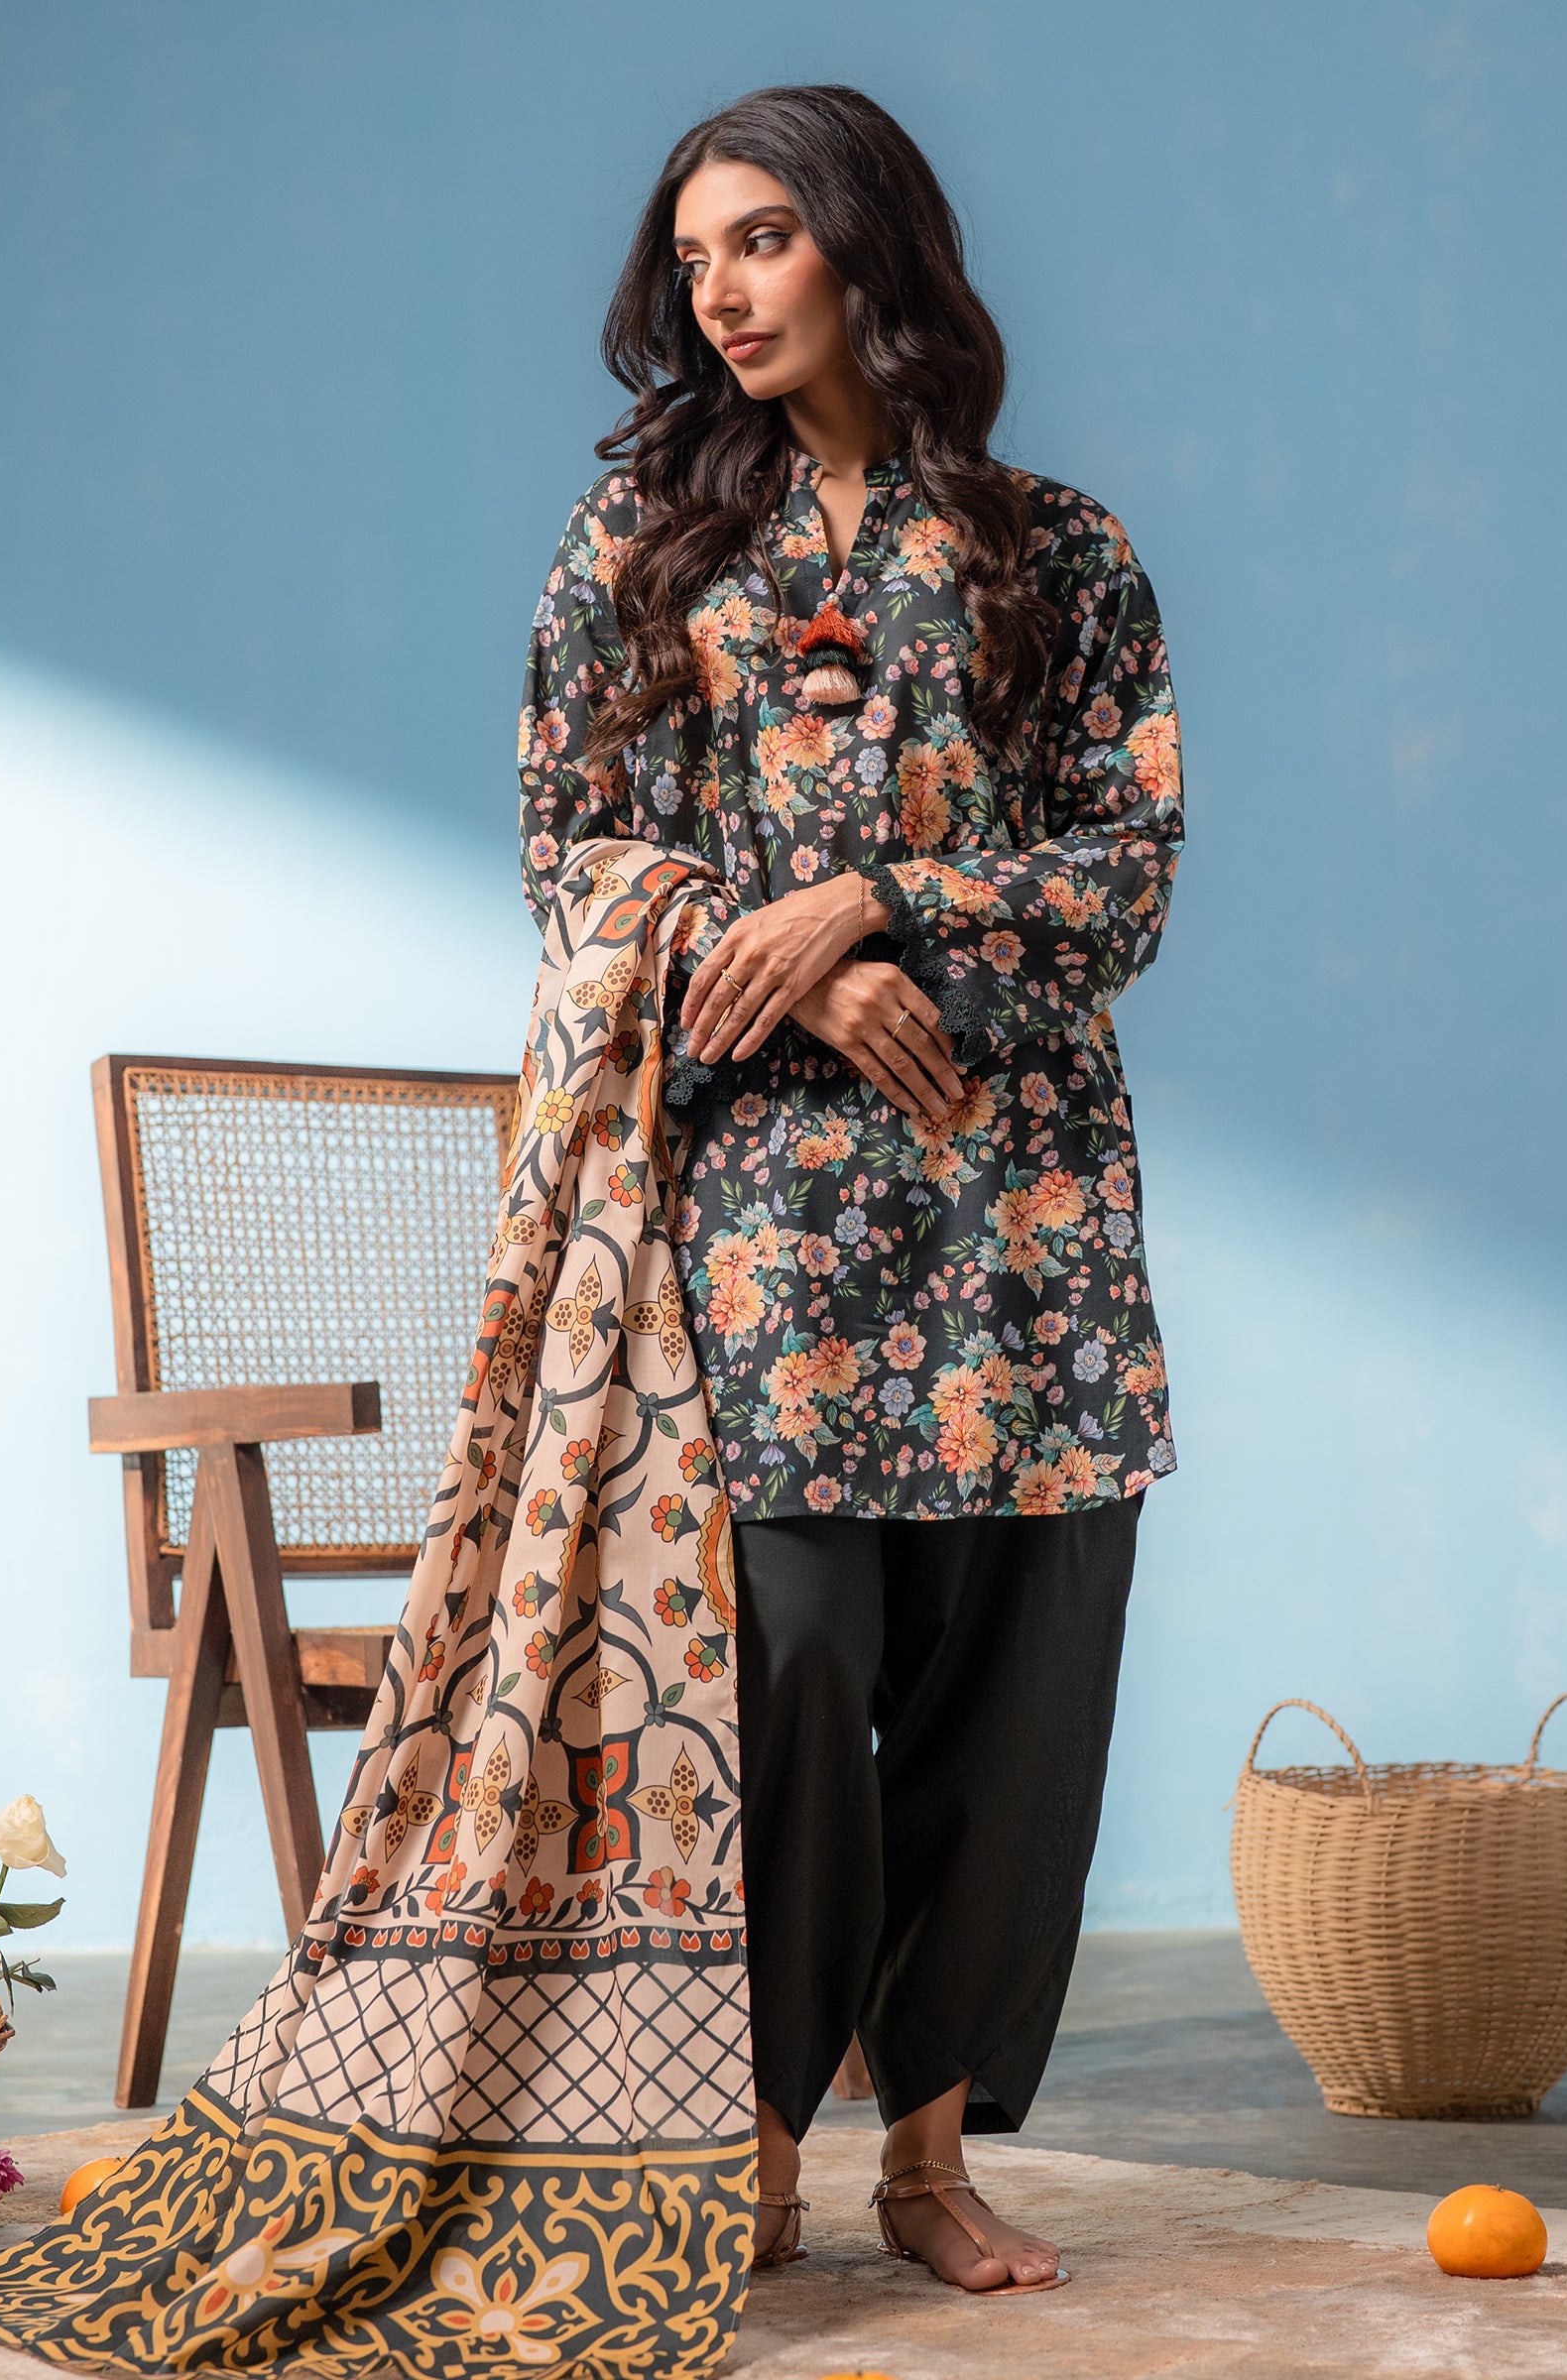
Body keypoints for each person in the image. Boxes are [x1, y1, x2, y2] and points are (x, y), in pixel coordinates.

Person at [518, 80, 1183, 2299]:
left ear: (867, 243)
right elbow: (575, 857)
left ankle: (923, 2160)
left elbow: (1123, 873)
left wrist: (882, 899)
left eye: (762, 238)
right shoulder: (638, 551)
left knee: (1013, 1688)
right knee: (786, 1665)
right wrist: (788, 964)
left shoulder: (1052, 551)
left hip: (1021, 1228)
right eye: (691, 254)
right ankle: (754, 2141)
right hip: (764, 1223)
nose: (718, 291)